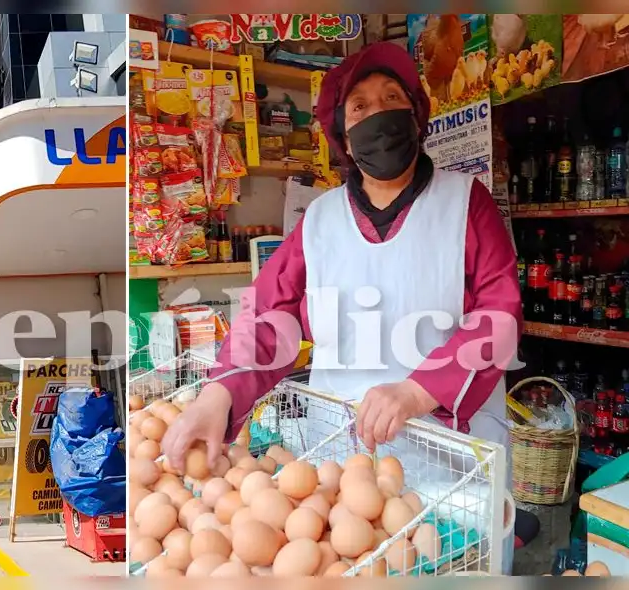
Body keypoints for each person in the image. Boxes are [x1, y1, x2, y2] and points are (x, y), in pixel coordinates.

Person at [161, 42, 538, 551]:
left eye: (391, 98)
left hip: (452, 457)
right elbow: (271, 316)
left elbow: (498, 315)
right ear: (342, 133)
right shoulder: (319, 221)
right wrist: (217, 396)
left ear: (415, 113)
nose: (379, 114)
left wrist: (416, 390)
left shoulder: (466, 202)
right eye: (360, 106)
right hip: (340, 462)